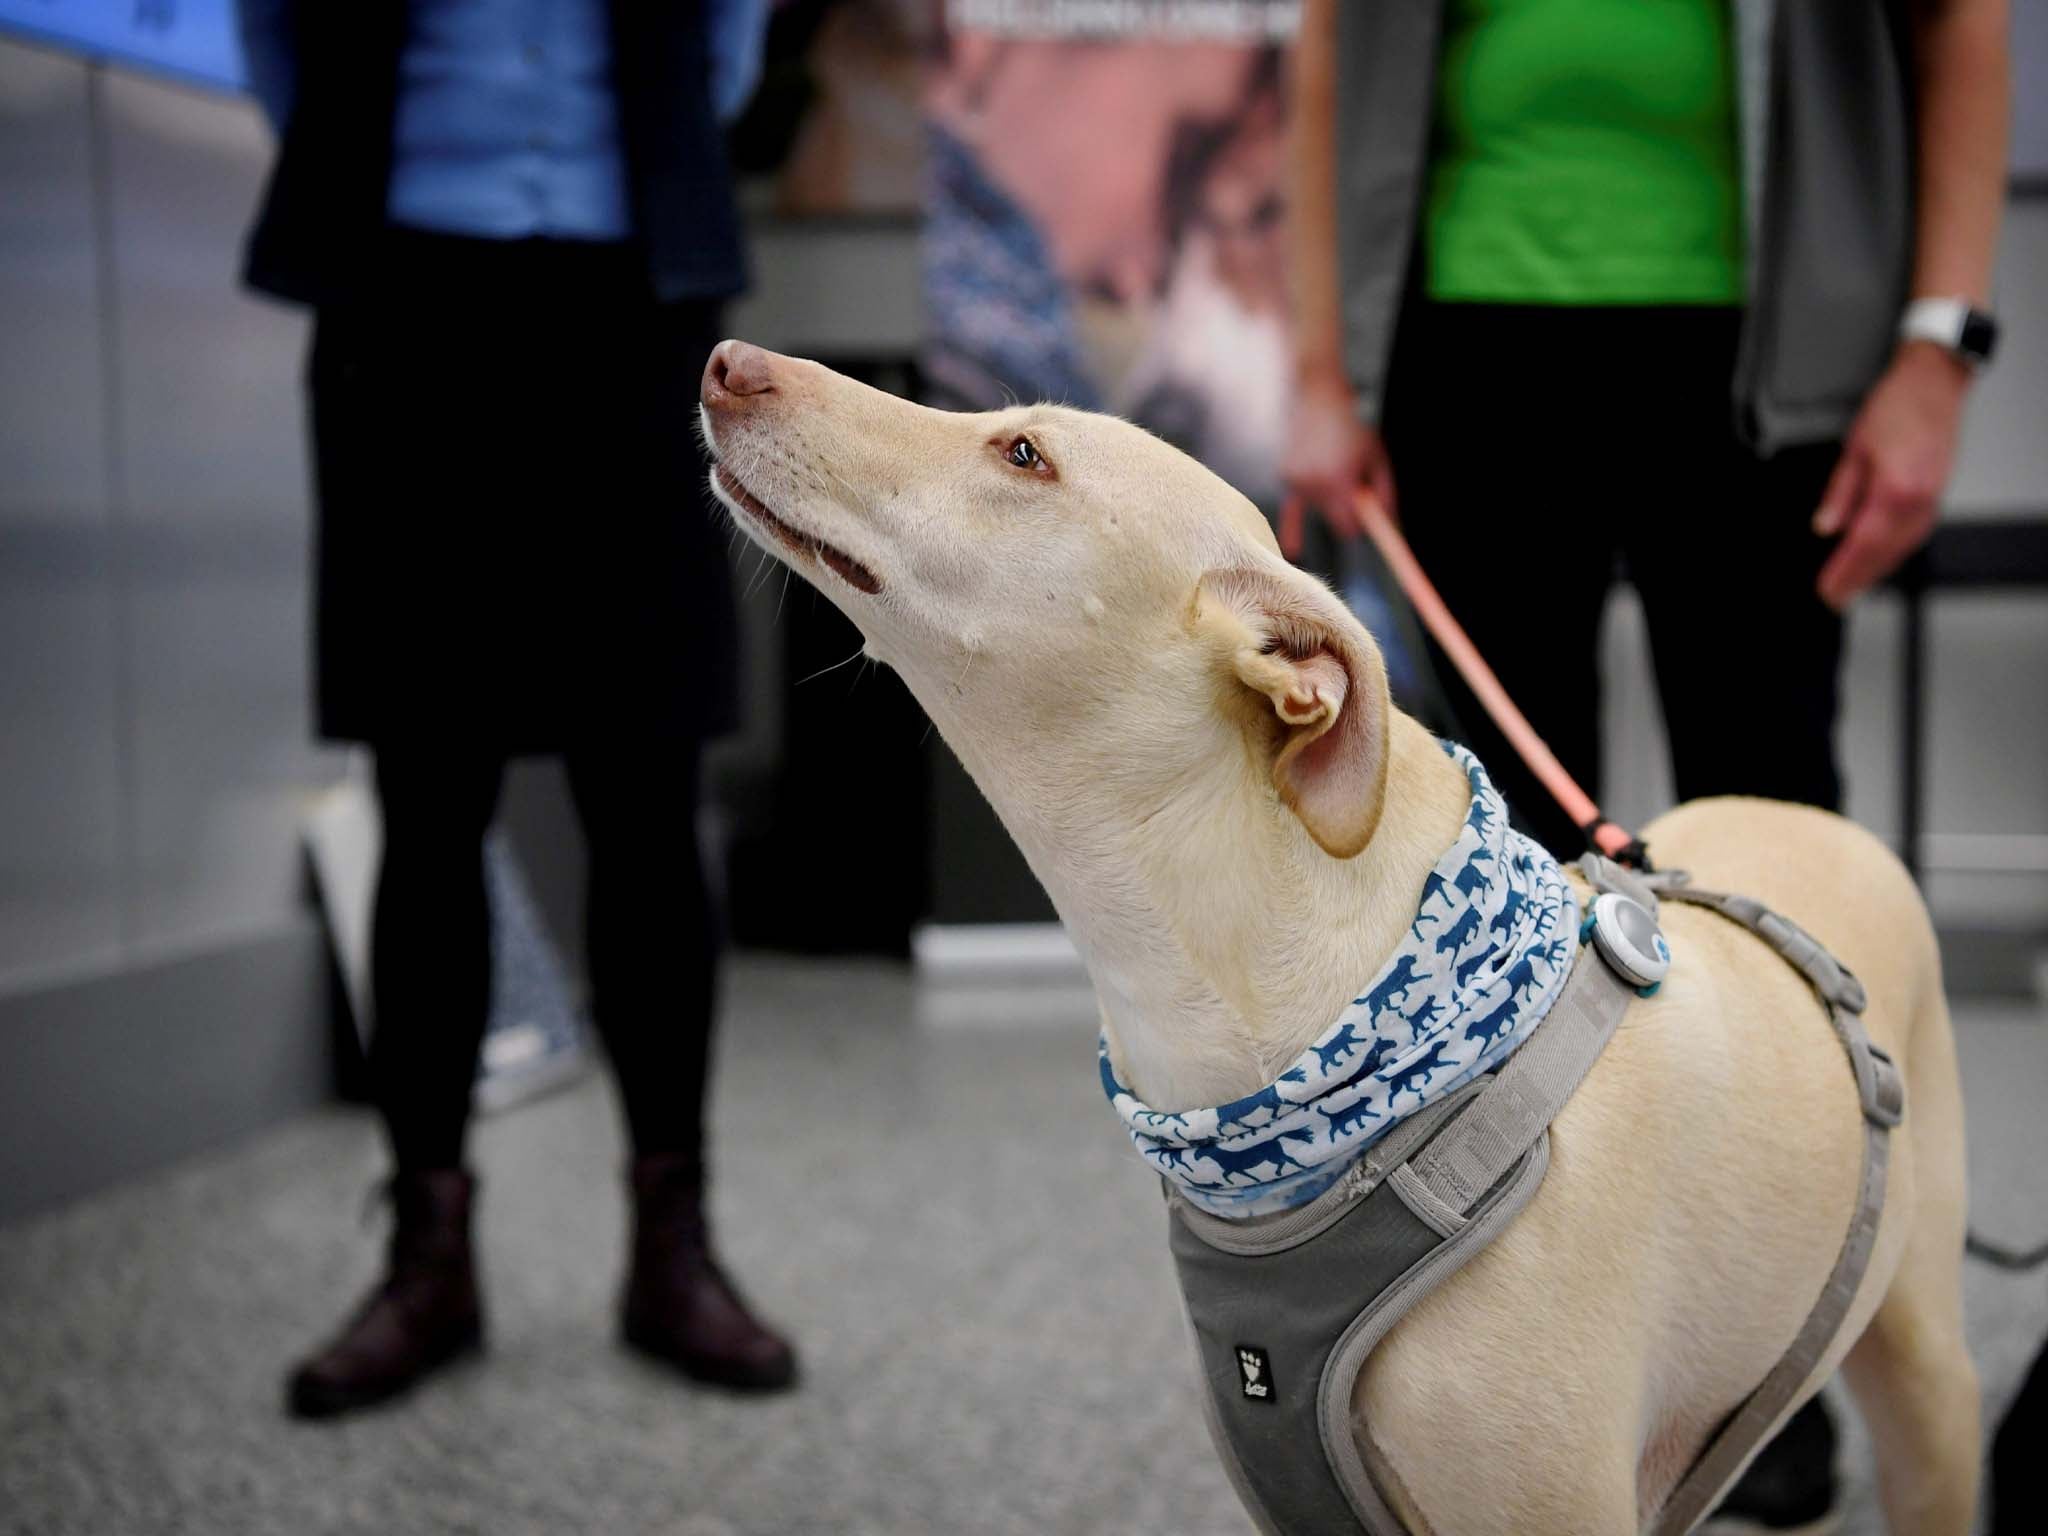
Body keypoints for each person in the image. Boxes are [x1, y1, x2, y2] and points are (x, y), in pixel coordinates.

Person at [1284, 0, 2008, 1525]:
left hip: (1764, 352)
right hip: (1464, 337)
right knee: (1507, 888)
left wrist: (1940, 346)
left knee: (1776, 865)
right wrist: (1319, 365)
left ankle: (1778, 1358)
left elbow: (1963, 26)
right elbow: (1335, 43)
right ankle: (1550, 1345)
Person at [236, 0, 795, 1417]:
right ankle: (429, 1255)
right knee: (425, 797)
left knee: (649, 790)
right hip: (403, 300)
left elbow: (723, 37)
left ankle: (674, 1248)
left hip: (635, 304)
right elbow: (282, 33)